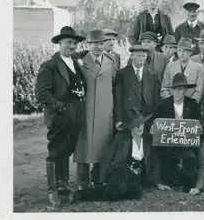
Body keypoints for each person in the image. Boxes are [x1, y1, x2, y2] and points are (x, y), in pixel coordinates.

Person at [35, 26, 87, 208]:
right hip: (60, 115)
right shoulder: (49, 66)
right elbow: (42, 94)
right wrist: (60, 107)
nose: (71, 46)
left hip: (76, 114)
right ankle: (53, 190)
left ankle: (64, 186)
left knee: (67, 149)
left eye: (74, 43)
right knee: (55, 151)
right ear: (59, 44)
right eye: (67, 42)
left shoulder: (76, 62)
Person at [73, 30, 116, 199]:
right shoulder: (80, 62)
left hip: (105, 110)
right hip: (87, 109)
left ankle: (98, 178)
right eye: (94, 44)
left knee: (103, 145)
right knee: (83, 144)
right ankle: (82, 181)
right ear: (88, 45)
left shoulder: (110, 61)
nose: (98, 47)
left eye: (100, 43)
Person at [91, 109, 168, 201]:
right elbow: (107, 158)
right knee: (119, 189)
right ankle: (85, 194)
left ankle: (114, 193)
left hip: (138, 177)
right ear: (130, 127)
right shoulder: (121, 139)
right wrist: (102, 180)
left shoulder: (147, 140)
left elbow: (154, 162)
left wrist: (158, 182)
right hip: (121, 172)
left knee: (136, 193)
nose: (140, 128)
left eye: (141, 124)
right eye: (136, 125)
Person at [155, 73, 202, 191]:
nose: (177, 92)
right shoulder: (163, 104)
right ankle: (171, 178)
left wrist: (199, 129)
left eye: (180, 89)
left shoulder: (192, 104)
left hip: (186, 143)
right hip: (168, 143)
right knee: (168, 172)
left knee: (190, 160)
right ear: (172, 90)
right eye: (175, 89)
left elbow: (199, 123)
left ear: (185, 91)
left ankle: (188, 181)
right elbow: (156, 124)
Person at [114, 44, 161, 134]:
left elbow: (156, 100)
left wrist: (154, 121)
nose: (141, 58)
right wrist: (119, 119)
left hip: (147, 117)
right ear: (132, 56)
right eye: (138, 56)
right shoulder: (122, 74)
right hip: (128, 117)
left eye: (143, 56)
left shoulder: (153, 75)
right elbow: (118, 98)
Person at [161, 38, 204, 104]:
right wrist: (170, 102)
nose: (181, 53)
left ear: (190, 52)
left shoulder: (199, 68)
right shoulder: (169, 66)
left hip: (190, 106)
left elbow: (199, 91)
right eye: (179, 50)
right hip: (172, 105)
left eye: (185, 51)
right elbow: (164, 88)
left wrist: (190, 104)